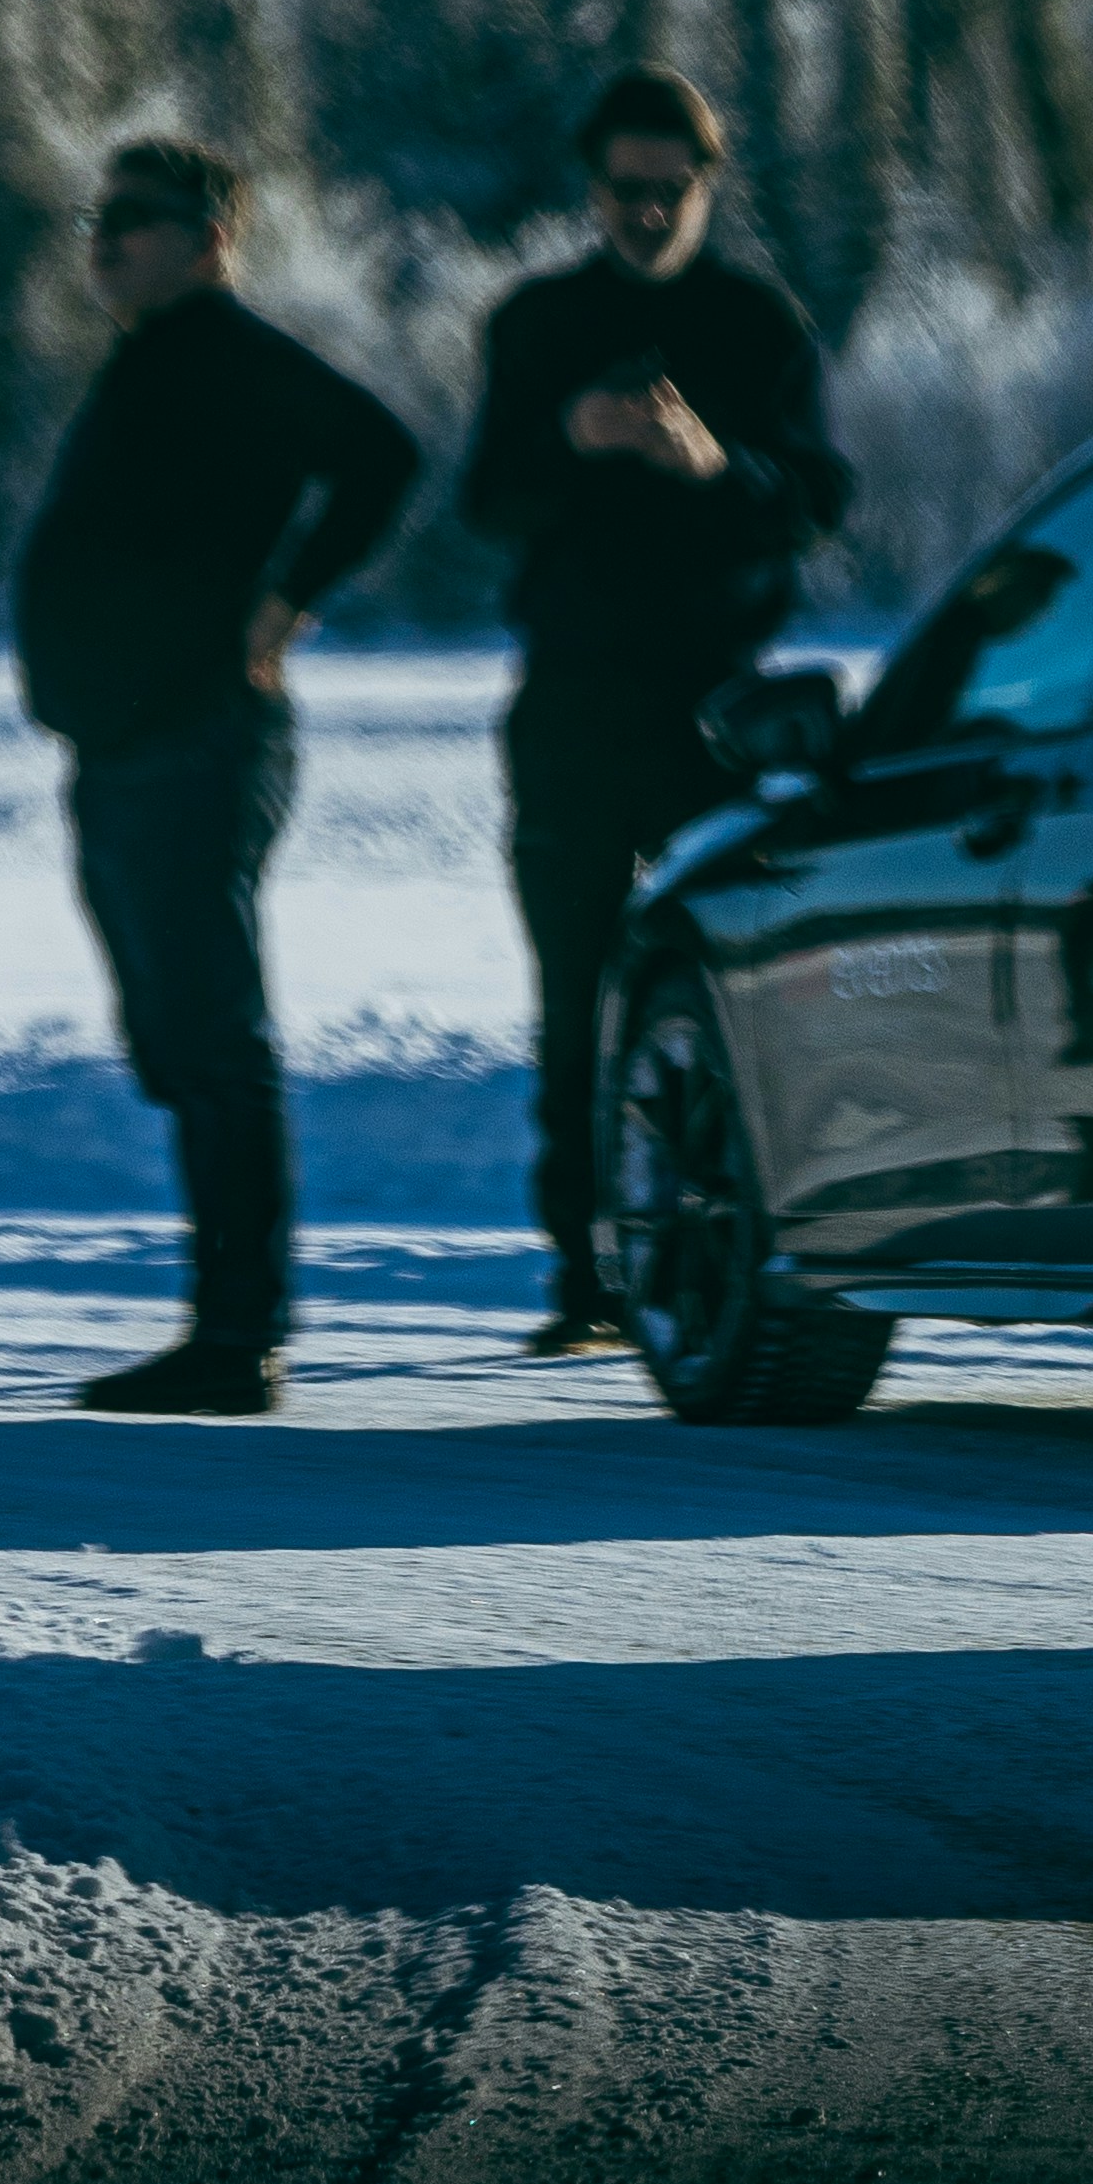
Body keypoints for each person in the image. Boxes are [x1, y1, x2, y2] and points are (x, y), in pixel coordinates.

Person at [10, 136, 424, 1418]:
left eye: (138, 220)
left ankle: (238, 1334)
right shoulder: (149, 366)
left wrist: (289, 599)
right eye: (102, 219)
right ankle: (227, 1324)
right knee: (176, 1036)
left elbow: (385, 454)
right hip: (131, 746)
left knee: (213, 1034)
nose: (109, 242)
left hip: (198, 741)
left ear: (213, 237)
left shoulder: (232, 357)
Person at [457, 67, 851, 1351]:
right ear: (592, 189)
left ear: (707, 186)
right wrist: (571, 434)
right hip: (572, 706)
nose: (644, 212)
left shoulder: (759, 326)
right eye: (625, 191)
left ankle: (740, 1253)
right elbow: (481, 505)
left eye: (668, 191)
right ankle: (587, 1277)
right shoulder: (535, 326)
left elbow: (817, 503)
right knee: (576, 1000)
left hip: (719, 714)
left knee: (740, 992)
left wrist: (710, 464)